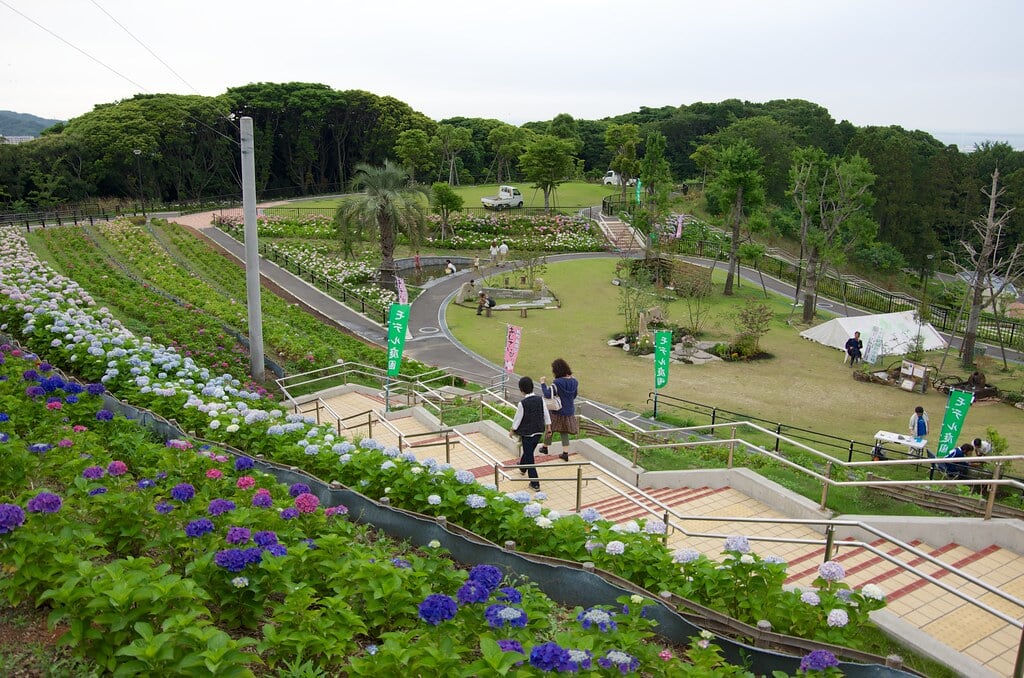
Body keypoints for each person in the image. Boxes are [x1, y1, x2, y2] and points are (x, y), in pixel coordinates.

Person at [510, 376, 550, 491]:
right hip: (538, 431)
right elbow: (546, 414)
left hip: (527, 433)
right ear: (532, 387)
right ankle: (522, 468)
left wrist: (512, 430)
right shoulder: (540, 399)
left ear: (521, 389)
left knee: (529, 456)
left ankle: (535, 483)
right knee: (528, 452)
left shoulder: (522, 403)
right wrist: (549, 426)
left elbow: (518, 419)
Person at [538, 358, 579, 462]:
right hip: (569, 411)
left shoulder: (557, 382)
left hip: (557, 411)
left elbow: (548, 394)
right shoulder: (574, 381)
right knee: (564, 431)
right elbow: (574, 395)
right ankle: (565, 453)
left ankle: (545, 447)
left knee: (550, 428)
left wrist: (543, 383)